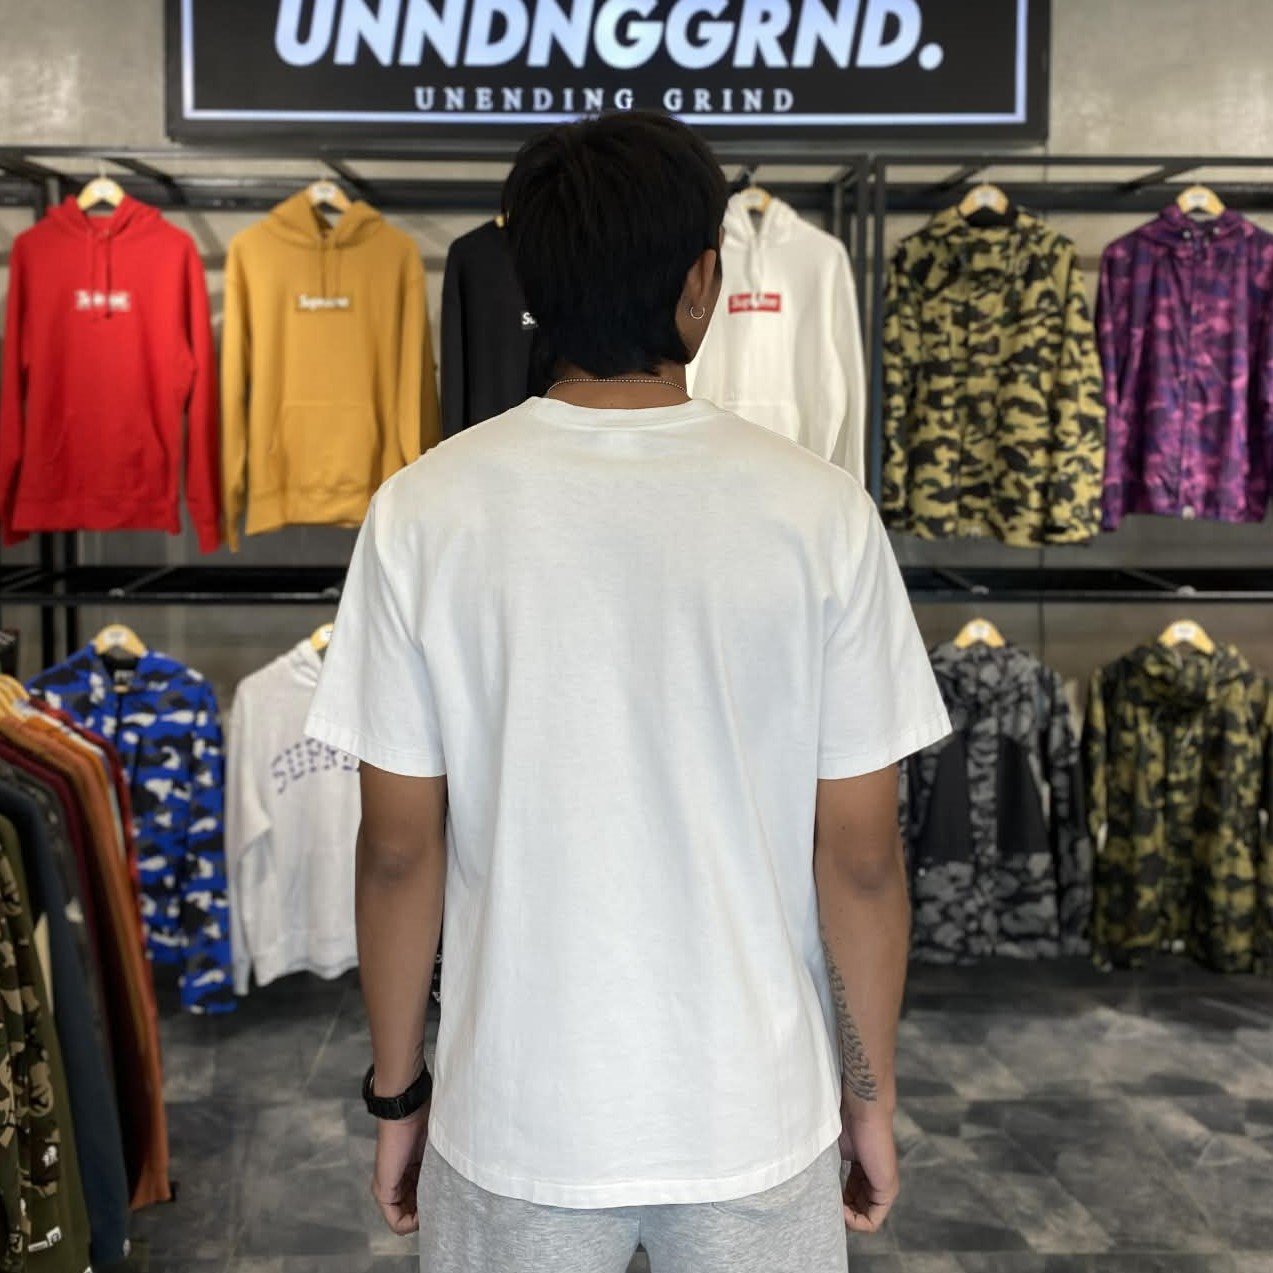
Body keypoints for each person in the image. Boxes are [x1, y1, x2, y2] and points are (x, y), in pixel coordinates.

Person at [305, 110, 950, 1273]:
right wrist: (869, 1095)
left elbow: (398, 851)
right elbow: (859, 860)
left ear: (530, 286)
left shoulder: (423, 511)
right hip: (755, 1117)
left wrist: (397, 1096)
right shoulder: (821, 515)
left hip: (515, 1122)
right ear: (702, 282)